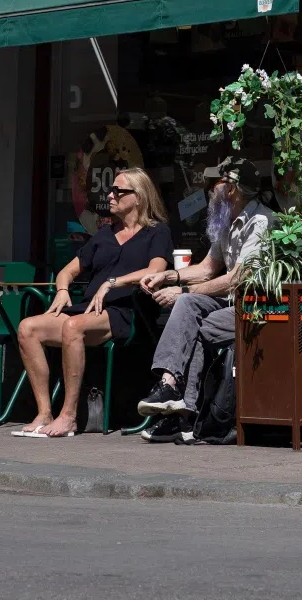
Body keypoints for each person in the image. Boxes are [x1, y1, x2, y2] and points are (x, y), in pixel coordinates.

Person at [14, 167, 172, 437]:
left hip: (128, 311)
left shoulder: (157, 232)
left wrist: (113, 283)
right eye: (110, 190)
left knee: (73, 326)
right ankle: (44, 412)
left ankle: (68, 416)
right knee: (27, 328)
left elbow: (155, 270)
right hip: (89, 310)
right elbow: (67, 271)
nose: (110, 195)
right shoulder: (104, 235)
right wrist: (62, 289)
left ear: (138, 197)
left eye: (118, 191)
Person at [135, 158, 275, 440]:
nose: (210, 190)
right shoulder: (228, 220)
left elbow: (237, 278)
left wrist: (183, 291)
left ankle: (184, 416)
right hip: (232, 302)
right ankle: (170, 387)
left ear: (232, 188)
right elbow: (208, 268)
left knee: (197, 323)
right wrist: (169, 276)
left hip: (256, 307)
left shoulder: (261, 222)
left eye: (215, 184)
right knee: (188, 306)